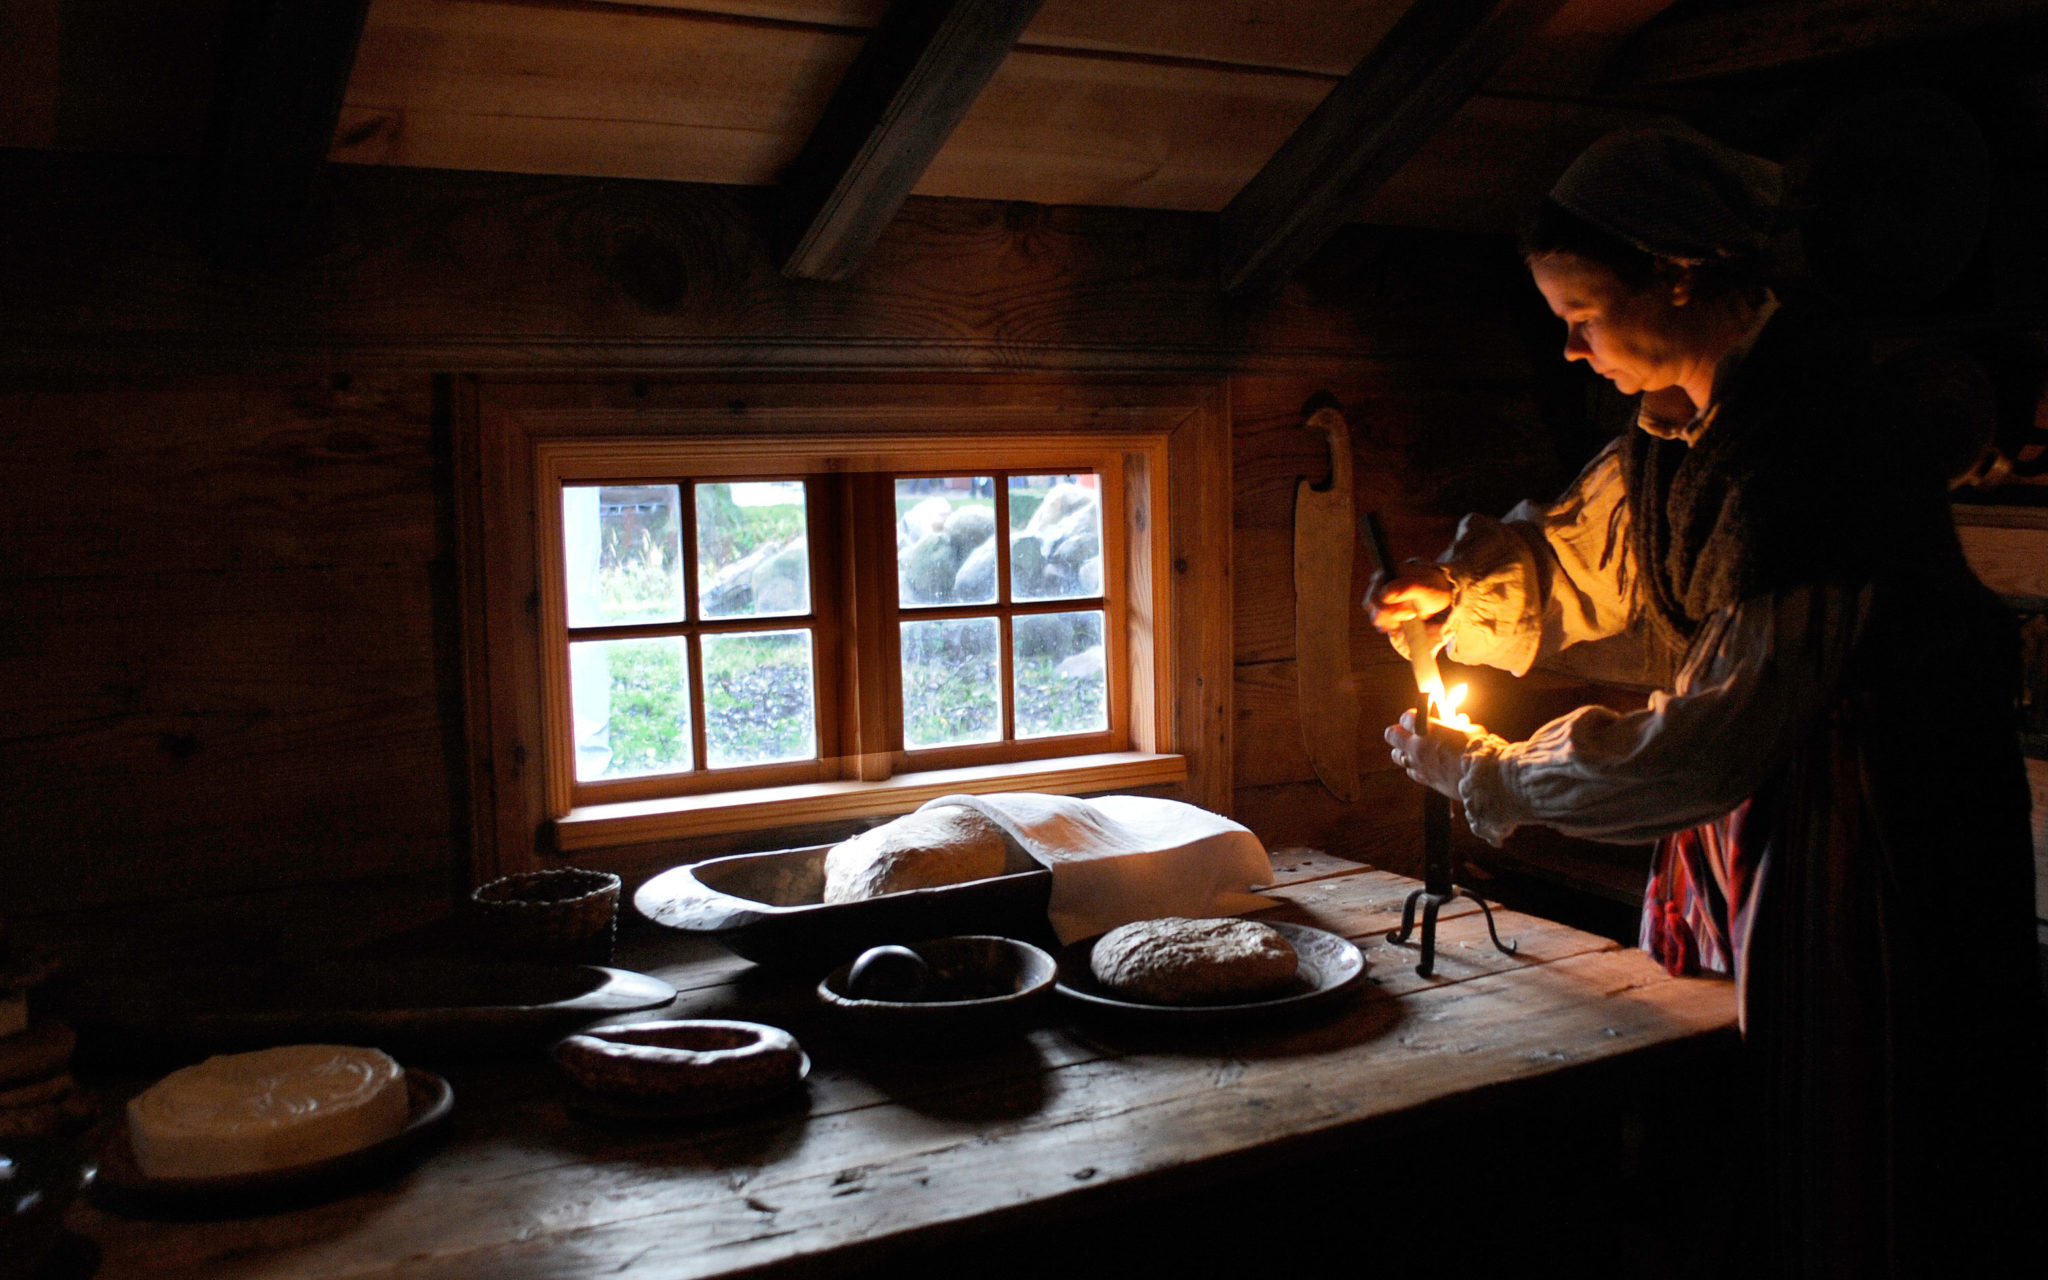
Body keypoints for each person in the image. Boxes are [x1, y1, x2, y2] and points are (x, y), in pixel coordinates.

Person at [1369, 128, 2043, 1276]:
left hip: (1876, 831)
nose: (1571, 350)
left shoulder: (1812, 439)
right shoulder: (1682, 427)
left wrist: (1494, 774)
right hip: (1774, 816)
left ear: (1677, 276)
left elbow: (1721, 729)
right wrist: (1459, 591)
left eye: (1580, 314)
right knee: (1757, 1123)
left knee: (1868, 1132)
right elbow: (1587, 560)